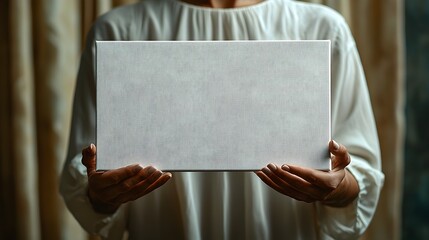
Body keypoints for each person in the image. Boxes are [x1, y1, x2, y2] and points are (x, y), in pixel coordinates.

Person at [60, 0, 385, 239]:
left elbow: (359, 172)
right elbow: (88, 178)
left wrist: (339, 187)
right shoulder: (118, 31)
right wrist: (101, 194)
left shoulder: (323, 29)